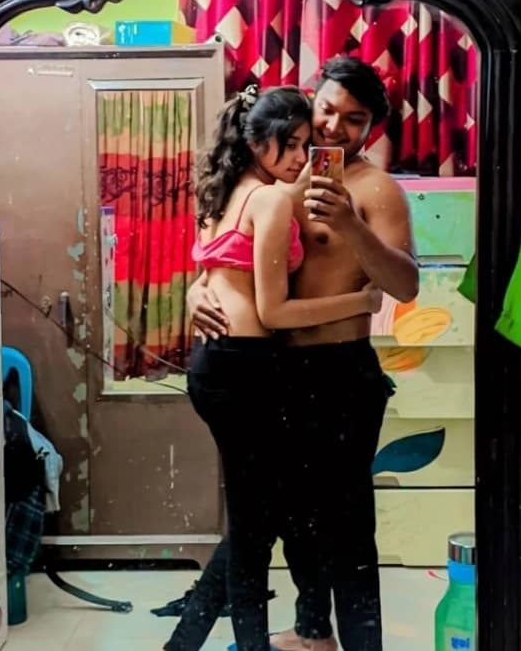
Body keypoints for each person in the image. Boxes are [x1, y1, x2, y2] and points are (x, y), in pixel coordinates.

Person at [166, 57, 418, 651]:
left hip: (342, 372)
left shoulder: (376, 189)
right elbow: (235, 260)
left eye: (354, 119)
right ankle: (310, 632)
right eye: (327, 109)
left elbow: (405, 286)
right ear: (311, 102)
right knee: (274, 520)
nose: (334, 127)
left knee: (347, 529)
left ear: (372, 127)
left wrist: (351, 227)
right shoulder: (279, 181)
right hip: (273, 372)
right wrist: (196, 290)